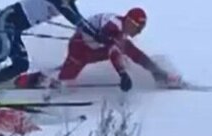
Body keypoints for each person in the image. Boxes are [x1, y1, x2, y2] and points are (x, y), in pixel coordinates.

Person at [13, 7, 181, 92]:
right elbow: (113, 52)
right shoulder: (115, 26)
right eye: (138, 28)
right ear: (130, 22)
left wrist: (155, 71)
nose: (139, 32)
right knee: (66, 79)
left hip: (94, 49)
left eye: (141, 28)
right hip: (80, 47)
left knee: (129, 50)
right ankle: (25, 82)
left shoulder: (121, 32)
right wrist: (122, 75)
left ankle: (159, 74)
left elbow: (133, 54)